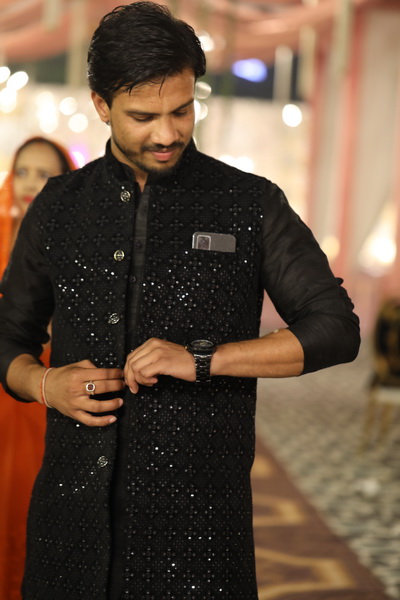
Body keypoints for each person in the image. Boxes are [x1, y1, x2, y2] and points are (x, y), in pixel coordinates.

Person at [0, 3, 360, 599]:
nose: (166, 134)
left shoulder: (248, 203)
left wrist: (202, 359)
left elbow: (335, 329)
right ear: (100, 105)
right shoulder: (60, 206)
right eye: (143, 116)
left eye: (182, 110)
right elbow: (9, 335)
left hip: (199, 527)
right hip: (70, 519)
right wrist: (43, 384)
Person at [0, 137, 75, 600]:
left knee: (32, 494)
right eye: (23, 171)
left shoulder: (77, 240)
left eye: (44, 175)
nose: (30, 184)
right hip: (4, 376)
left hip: (46, 380)